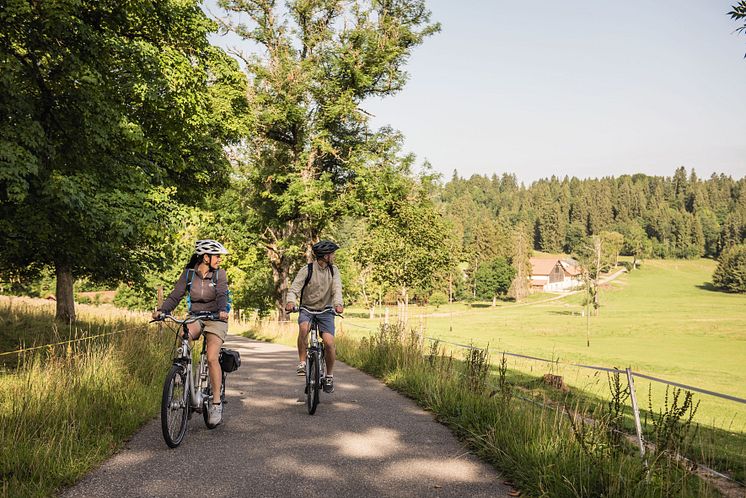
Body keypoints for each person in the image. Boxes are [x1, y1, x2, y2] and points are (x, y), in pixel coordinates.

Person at [153, 239, 230, 426]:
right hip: (195, 316)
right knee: (184, 334)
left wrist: (222, 310)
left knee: (212, 357)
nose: (219, 259)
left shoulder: (220, 275)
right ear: (205, 257)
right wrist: (163, 311)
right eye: (216, 256)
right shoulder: (188, 275)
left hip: (215, 318)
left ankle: (216, 403)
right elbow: (175, 295)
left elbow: (222, 295)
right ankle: (182, 370)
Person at [285, 240, 344, 393]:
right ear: (324, 256)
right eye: (332, 254)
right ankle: (302, 363)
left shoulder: (334, 270)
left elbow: (337, 289)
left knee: (329, 343)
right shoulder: (307, 270)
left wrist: (338, 304)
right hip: (307, 309)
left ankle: (329, 376)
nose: (334, 256)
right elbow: (294, 289)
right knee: (304, 329)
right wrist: (291, 302)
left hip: (326, 310)